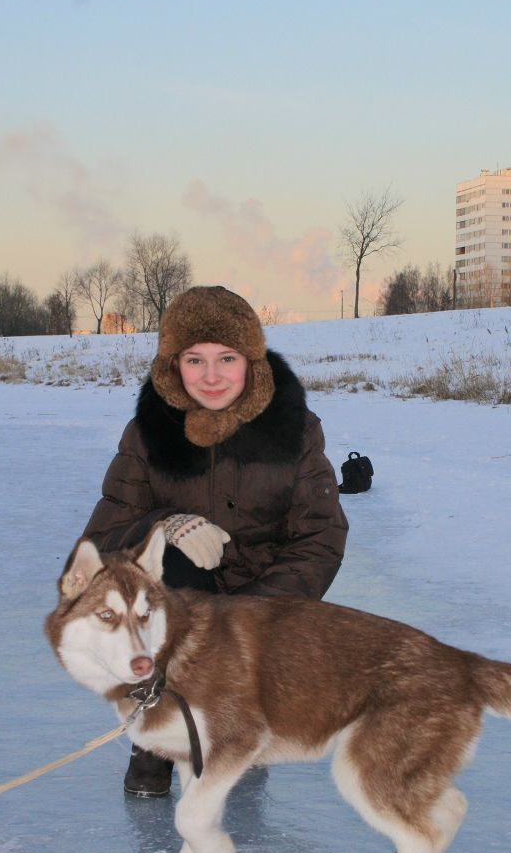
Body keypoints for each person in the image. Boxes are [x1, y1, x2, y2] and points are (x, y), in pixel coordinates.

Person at [82, 285, 349, 796]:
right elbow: (100, 541)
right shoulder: (147, 434)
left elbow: (321, 537)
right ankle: (154, 734)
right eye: (194, 359)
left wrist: (252, 615)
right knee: (169, 568)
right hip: (178, 615)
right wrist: (163, 526)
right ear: (173, 366)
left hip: (263, 609)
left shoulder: (295, 431)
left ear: (251, 362)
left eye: (227, 358)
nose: (211, 376)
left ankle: (237, 724)